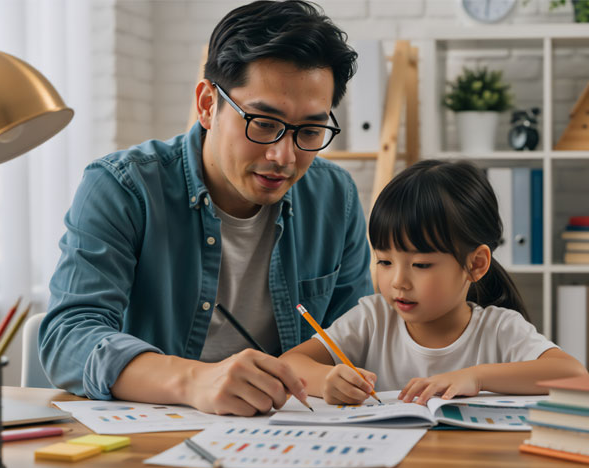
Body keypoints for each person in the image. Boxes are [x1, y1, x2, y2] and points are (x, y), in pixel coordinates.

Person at [39, 0, 373, 416]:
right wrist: (195, 380)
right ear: (206, 105)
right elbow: (67, 337)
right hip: (153, 439)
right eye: (263, 123)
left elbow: (357, 339)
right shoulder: (123, 187)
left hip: (294, 434)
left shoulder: (333, 195)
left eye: (309, 130)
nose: (283, 156)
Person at [281, 160, 587, 406]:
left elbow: (575, 376)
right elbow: (290, 363)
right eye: (385, 262)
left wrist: (477, 378)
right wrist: (328, 379)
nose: (398, 281)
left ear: (476, 264)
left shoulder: (499, 329)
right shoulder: (372, 319)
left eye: (421, 265)